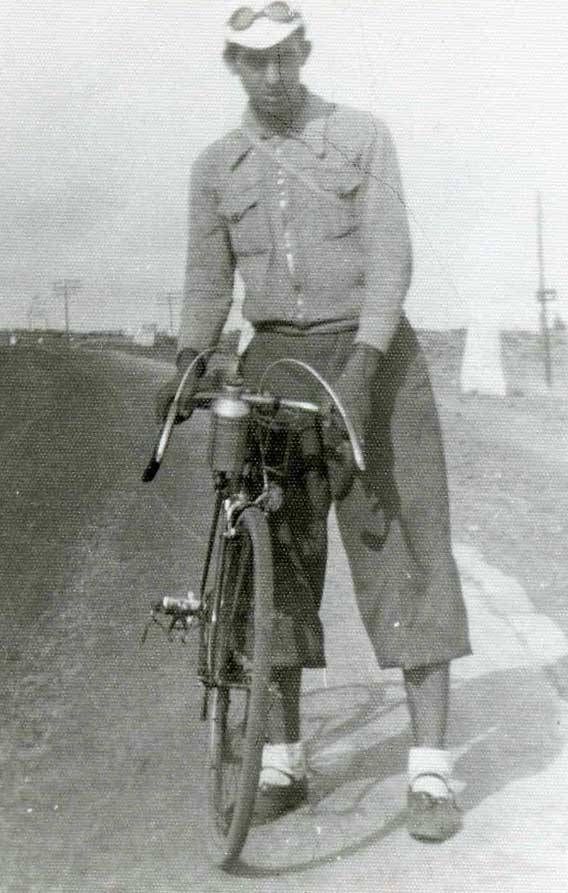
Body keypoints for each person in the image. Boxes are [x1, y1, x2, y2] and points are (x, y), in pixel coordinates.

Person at [156, 2, 471, 842]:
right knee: (271, 554)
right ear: (233, 64)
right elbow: (204, 279)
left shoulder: (361, 137)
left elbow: (391, 254)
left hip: (373, 360)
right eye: (253, 61)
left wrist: (366, 365)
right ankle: (281, 759)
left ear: (304, 53)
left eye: (285, 56)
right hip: (275, 361)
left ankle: (431, 771)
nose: (272, 74)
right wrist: (190, 357)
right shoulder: (215, 166)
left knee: (401, 546)